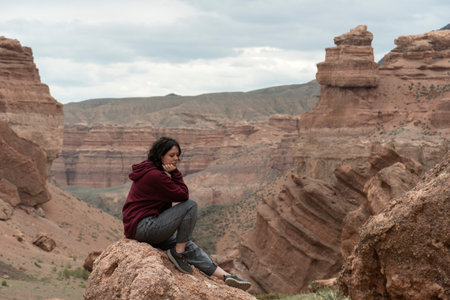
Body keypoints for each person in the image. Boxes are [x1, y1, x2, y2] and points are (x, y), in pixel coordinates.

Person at [122, 137, 251, 291]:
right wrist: (175, 173)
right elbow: (183, 196)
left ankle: (225, 276)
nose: (176, 159)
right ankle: (178, 254)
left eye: (178, 155)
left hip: (143, 228)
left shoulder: (150, 171)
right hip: (145, 227)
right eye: (171, 155)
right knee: (190, 206)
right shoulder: (155, 175)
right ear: (160, 155)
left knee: (186, 244)